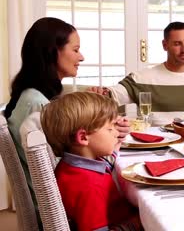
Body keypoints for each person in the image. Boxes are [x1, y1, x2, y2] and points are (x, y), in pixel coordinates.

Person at [4, 17, 129, 226]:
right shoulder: (38, 105)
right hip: (65, 212)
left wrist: (104, 126)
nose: (82, 57)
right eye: (76, 49)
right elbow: (75, 164)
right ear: (53, 51)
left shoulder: (32, 95)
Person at [40, 92, 142, 230]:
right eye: (110, 128)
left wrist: (114, 145)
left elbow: (106, 166)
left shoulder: (70, 166)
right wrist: (134, 224)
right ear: (83, 137)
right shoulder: (90, 186)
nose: (116, 133)